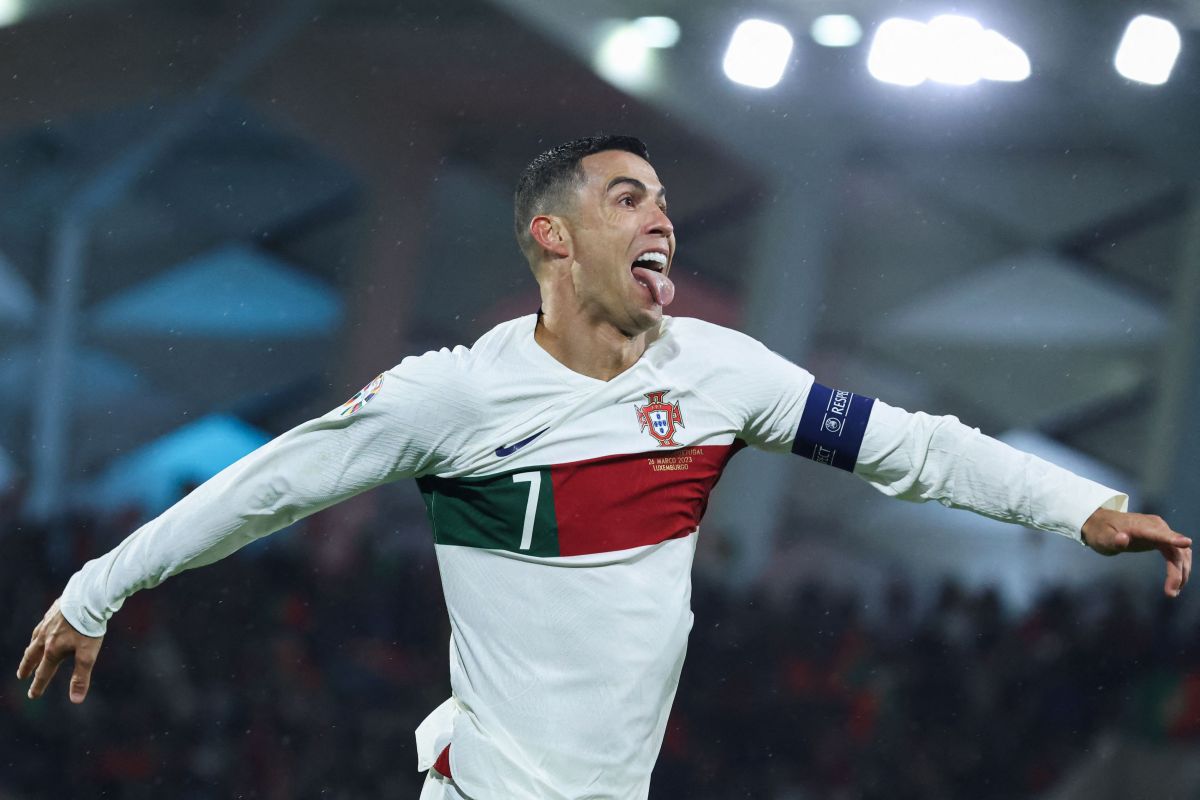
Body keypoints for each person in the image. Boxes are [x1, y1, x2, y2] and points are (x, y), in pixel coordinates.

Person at [18, 135, 1192, 799]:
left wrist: (1075, 503)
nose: (662, 219)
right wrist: (94, 586)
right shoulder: (456, 394)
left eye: (667, 202)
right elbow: (269, 480)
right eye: (628, 197)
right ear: (553, 235)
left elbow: (912, 446)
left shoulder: (723, 374)